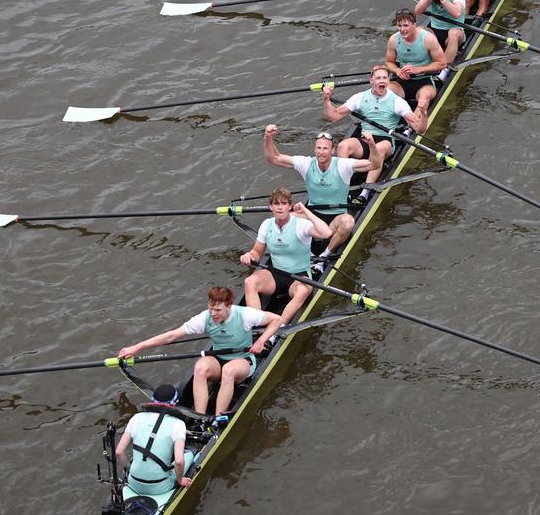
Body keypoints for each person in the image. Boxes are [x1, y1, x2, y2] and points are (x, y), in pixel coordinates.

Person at [117, 285, 284, 416]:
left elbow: (276, 320)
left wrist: (261, 341)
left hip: (243, 361)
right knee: (200, 367)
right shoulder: (205, 318)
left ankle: (218, 417)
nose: (213, 314)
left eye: (218, 310)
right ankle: (200, 416)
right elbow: (171, 336)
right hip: (218, 359)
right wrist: (137, 346)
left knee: (228, 371)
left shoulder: (245, 314)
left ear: (228, 306)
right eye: (211, 309)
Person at [263, 123, 382, 259]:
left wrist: (372, 144)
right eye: (318, 148)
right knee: (280, 218)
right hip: (312, 214)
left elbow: (375, 164)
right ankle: (307, 253)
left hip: (336, 215)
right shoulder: (306, 163)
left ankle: (325, 256)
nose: (321, 152)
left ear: (332, 150)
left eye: (325, 148)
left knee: (348, 222)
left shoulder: (343, 165)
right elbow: (274, 158)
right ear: (314, 150)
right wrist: (268, 138)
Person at [241, 188, 331, 325]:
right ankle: (256, 323)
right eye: (276, 204)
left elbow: (326, 233)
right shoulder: (266, 225)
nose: (280, 207)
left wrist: (306, 212)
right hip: (275, 274)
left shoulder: (301, 224)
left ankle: (278, 327)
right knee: (249, 282)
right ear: (271, 207)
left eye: (284, 204)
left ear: (289, 207)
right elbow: (257, 252)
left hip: (298, 276)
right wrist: (249, 255)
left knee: (303, 290)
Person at [322, 65, 425, 183]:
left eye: (385, 78)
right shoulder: (360, 97)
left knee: (379, 148)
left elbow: (419, 129)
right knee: (342, 146)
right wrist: (326, 100)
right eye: (378, 78)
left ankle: (366, 189)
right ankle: (342, 183)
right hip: (365, 139)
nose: (382, 81)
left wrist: (424, 112)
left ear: (388, 81)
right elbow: (333, 117)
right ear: (371, 81)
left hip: (385, 141)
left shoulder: (397, 102)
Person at [115, 383, 195, 495]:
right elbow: (179, 461)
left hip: (133, 482)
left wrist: (129, 470)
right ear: (175, 403)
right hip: (160, 487)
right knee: (190, 454)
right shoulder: (178, 424)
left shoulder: (136, 418)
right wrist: (180, 480)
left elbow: (119, 452)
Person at [385, 8, 449, 121]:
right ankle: (386, 122)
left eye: (406, 25)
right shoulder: (394, 39)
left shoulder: (428, 39)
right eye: (399, 26)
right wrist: (397, 71)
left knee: (423, 99)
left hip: (425, 81)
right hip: (403, 81)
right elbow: (389, 63)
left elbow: (442, 63)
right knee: (384, 91)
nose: (402, 29)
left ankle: (413, 124)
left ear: (414, 24)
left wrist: (418, 70)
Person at [414, 0, 468, 64]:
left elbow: (457, 13)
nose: (439, 5)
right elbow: (417, 11)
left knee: (453, 33)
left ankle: (444, 68)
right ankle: (417, 61)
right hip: (435, 32)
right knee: (418, 30)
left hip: (454, 32)